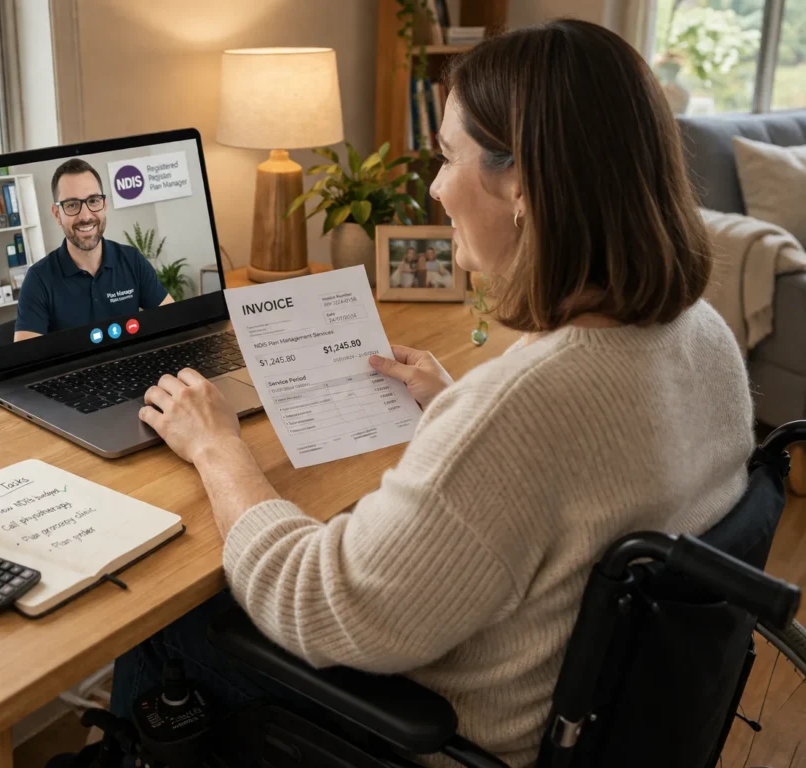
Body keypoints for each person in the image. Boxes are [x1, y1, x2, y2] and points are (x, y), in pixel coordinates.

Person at [108, 20, 752, 768]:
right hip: (598, 719)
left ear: (521, 181)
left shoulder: (527, 409)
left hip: (448, 739)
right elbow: (574, 478)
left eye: (449, 158)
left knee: (162, 625)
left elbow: (318, 604)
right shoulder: (702, 334)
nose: (438, 190)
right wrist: (456, 402)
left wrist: (217, 447)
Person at [13, 158, 173, 342]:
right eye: (72, 205)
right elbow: (25, 359)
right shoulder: (38, 279)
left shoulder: (132, 260)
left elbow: (172, 320)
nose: (86, 216)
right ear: (57, 214)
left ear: (104, 205)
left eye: (93, 201)